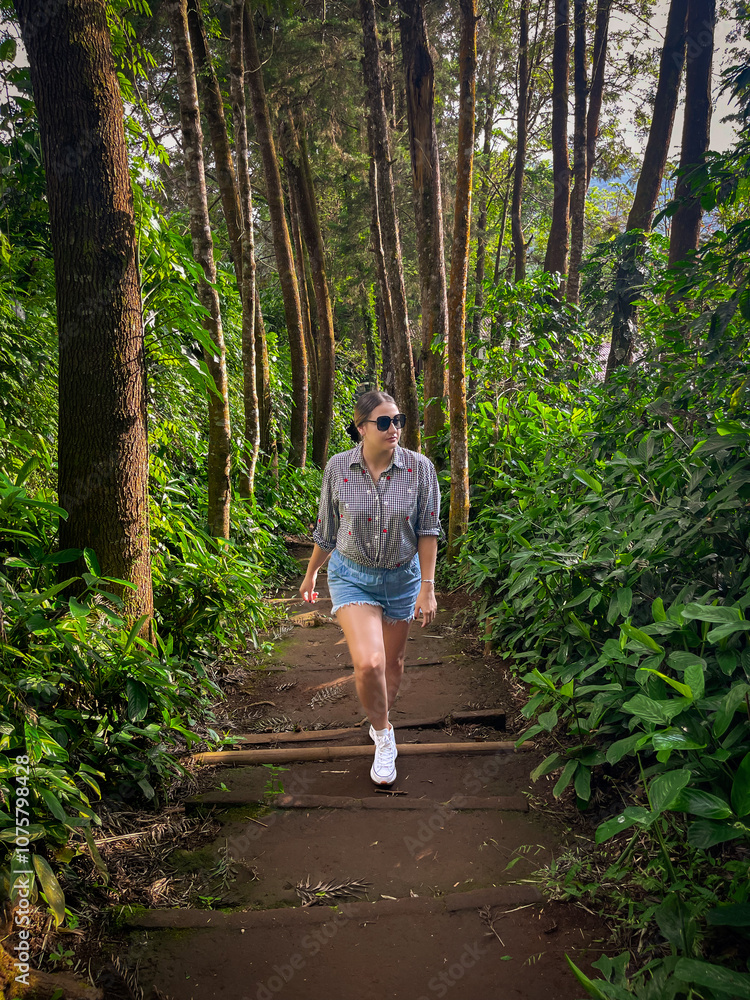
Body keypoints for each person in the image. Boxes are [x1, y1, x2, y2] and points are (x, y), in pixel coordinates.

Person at [299, 391, 442, 786]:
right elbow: (327, 529)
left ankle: (380, 718)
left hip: (402, 577)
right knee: (370, 663)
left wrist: (427, 588)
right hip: (351, 575)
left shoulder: (419, 469)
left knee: (392, 665)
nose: (393, 429)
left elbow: (428, 530)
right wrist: (311, 573)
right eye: (383, 422)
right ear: (361, 427)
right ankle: (383, 736)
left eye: (398, 420)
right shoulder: (338, 468)